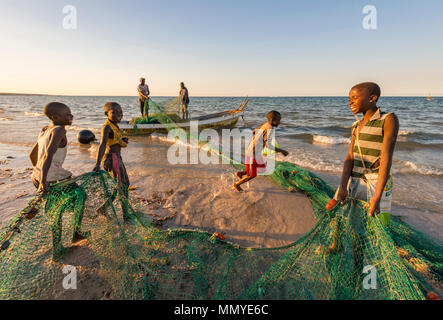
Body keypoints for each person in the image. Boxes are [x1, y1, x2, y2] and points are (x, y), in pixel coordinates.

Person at [335, 82, 399, 227]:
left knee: (373, 224)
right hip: (354, 180)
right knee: (343, 219)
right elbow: (350, 158)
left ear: (372, 98)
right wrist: (343, 186)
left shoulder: (387, 119)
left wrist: (377, 197)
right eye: (349, 98)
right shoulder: (356, 125)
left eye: (355, 97)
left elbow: (386, 159)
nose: (350, 102)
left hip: (374, 181)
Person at [29, 102, 87, 259]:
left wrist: (40, 175)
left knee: (55, 211)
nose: (71, 117)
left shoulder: (45, 130)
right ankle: (75, 234)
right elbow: (48, 154)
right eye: (67, 114)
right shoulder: (60, 130)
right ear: (55, 117)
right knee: (80, 195)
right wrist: (45, 180)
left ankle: (59, 246)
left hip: (38, 175)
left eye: (71, 114)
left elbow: (32, 155)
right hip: (52, 179)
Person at [234, 110, 289, 192]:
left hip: (251, 149)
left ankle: (240, 173)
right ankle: (237, 184)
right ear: (272, 120)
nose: (279, 122)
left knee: (262, 167)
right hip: (253, 153)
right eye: (278, 120)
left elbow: (253, 131)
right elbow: (269, 146)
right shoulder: (269, 128)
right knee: (252, 175)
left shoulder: (265, 124)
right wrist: (282, 150)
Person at [93, 102, 131, 219]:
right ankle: (126, 216)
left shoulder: (114, 126)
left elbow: (114, 140)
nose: (118, 114)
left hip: (117, 158)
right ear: (106, 114)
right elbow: (102, 145)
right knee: (121, 186)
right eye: (114, 112)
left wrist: (122, 139)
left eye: (120, 112)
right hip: (112, 158)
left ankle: (103, 208)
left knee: (125, 184)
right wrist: (97, 164)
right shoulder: (107, 127)